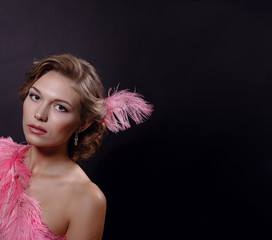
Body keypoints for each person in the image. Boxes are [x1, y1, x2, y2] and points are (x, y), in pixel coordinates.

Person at [0, 54, 153, 240]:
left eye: (60, 107)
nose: (39, 114)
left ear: (84, 123)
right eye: (35, 96)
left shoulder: (86, 199)